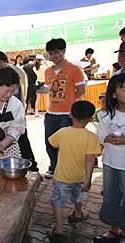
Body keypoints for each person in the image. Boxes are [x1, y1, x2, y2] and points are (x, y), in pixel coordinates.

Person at [47, 100, 102, 242]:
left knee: (58, 202)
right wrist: (88, 180)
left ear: (70, 115)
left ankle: (59, 229)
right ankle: (77, 214)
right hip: (80, 178)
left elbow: (52, 143)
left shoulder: (63, 132)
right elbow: (90, 159)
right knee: (78, 197)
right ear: (90, 119)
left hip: (61, 177)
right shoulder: (91, 137)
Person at [44, 38, 86, 179]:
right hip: (50, 113)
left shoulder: (74, 69)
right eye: (50, 53)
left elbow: (81, 89)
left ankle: (65, 169)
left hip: (66, 114)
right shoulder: (48, 71)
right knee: (50, 141)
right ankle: (53, 166)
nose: (54, 56)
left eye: (56, 52)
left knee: (65, 144)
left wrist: (70, 103)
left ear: (63, 51)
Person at [0, 51, 39, 171]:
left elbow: (24, 89)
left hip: (16, 110)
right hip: (1, 114)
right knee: (5, 139)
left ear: (5, 60)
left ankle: (31, 165)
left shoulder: (18, 72)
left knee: (22, 137)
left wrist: (23, 106)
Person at [96, 74, 125, 241]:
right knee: (111, 195)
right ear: (113, 94)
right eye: (123, 88)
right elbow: (100, 134)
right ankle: (114, 229)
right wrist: (106, 138)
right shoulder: (106, 115)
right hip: (110, 163)